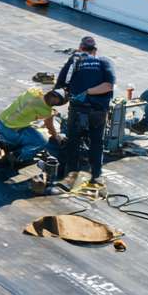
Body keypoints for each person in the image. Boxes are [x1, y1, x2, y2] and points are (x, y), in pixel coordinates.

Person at [55, 35, 116, 188]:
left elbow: (60, 84)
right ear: (95, 50)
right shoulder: (105, 61)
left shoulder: (75, 61)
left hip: (78, 110)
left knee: (73, 143)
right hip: (98, 112)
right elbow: (109, 86)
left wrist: (83, 91)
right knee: (96, 143)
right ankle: (96, 176)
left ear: (80, 48)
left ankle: (71, 177)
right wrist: (91, 91)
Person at [0, 88, 68, 166]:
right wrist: (56, 136)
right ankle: (17, 157)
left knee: (28, 129)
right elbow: (50, 127)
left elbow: (35, 104)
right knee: (41, 141)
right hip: (12, 131)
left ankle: (5, 146)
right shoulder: (46, 112)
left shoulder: (33, 91)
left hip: (0, 124)